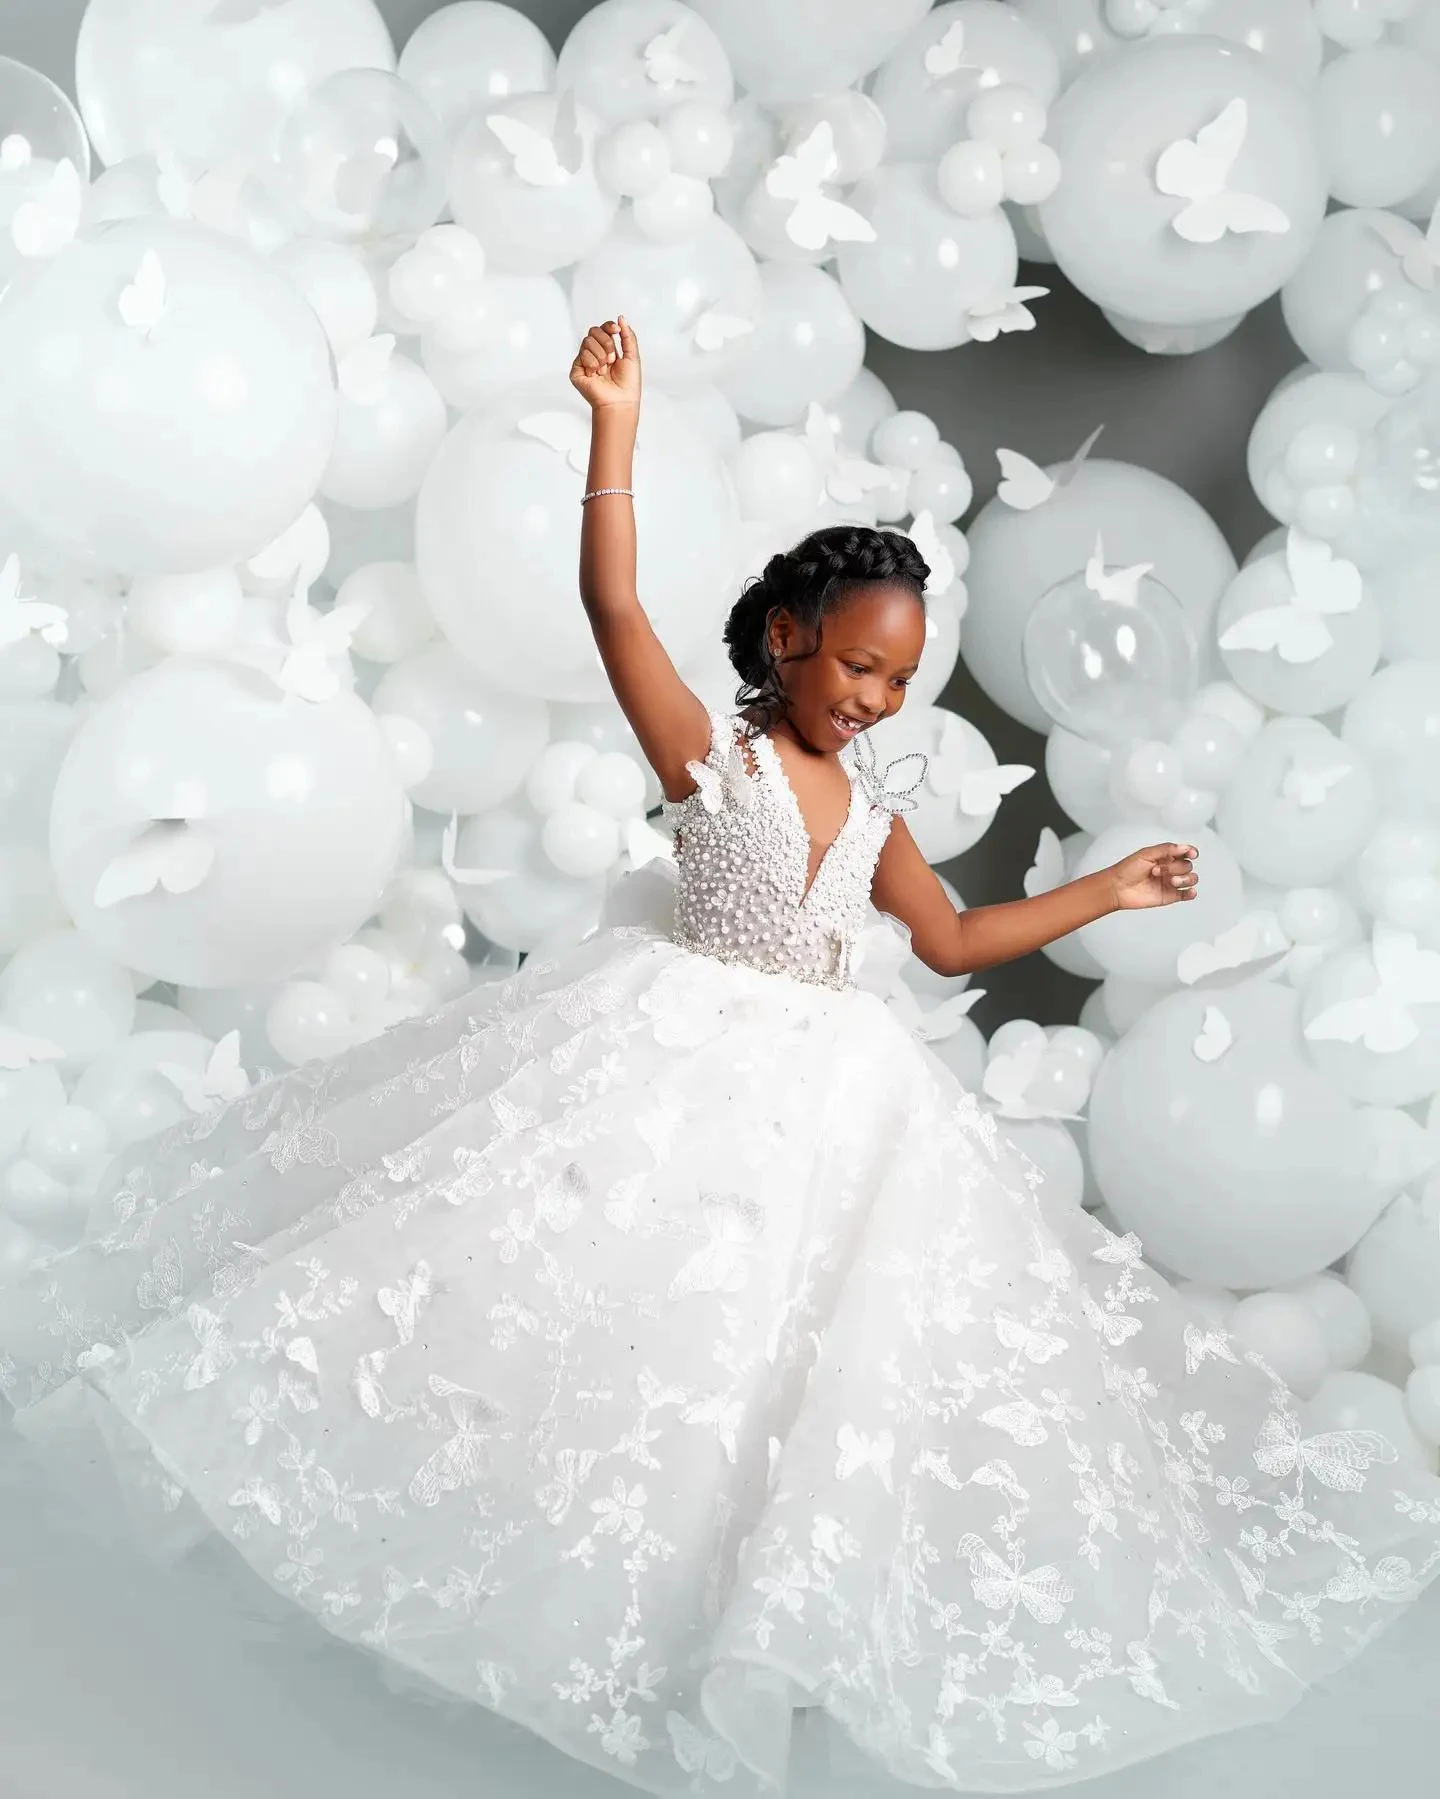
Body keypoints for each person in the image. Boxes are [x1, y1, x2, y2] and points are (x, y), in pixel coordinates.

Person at [2, 319, 1438, 1799]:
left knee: (766, 1361)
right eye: (860, 665)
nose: (875, 698)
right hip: (666, 1053)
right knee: (582, 1305)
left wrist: (1110, 891)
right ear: (784, 640)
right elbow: (616, 608)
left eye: (900, 680)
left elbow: (949, 945)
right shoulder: (716, 759)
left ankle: (711, 1615)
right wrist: (617, 427)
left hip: (828, 1107)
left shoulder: (875, 824)